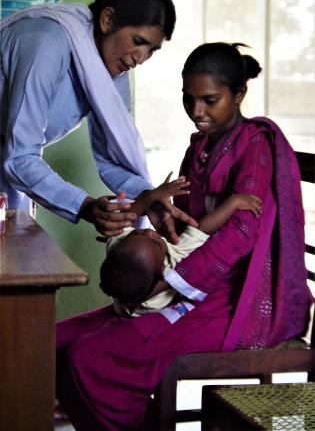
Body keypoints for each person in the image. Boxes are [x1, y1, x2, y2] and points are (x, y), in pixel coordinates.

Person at [56, 42, 311, 431]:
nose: (197, 112)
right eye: (188, 99)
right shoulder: (201, 147)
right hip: (187, 281)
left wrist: (172, 279)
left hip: (231, 297)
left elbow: (243, 231)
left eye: (210, 100)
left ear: (239, 94)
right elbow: (189, 220)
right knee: (55, 341)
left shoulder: (256, 145)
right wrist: (154, 220)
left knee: (91, 359)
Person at [0, 0, 191, 241]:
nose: (141, 58)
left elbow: (113, 158)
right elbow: (19, 158)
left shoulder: (111, 69)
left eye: (152, 50)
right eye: (138, 41)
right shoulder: (46, 41)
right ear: (107, 20)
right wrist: (86, 206)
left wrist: (148, 197)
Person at [100, 179, 262, 316]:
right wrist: (233, 203)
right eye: (156, 241)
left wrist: (152, 196)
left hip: (124, 298)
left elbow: (125, 220)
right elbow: (202, 228)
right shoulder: (175, 261)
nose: (150, 232)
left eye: (137, 233)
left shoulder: (119, 251)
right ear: (164, 270)